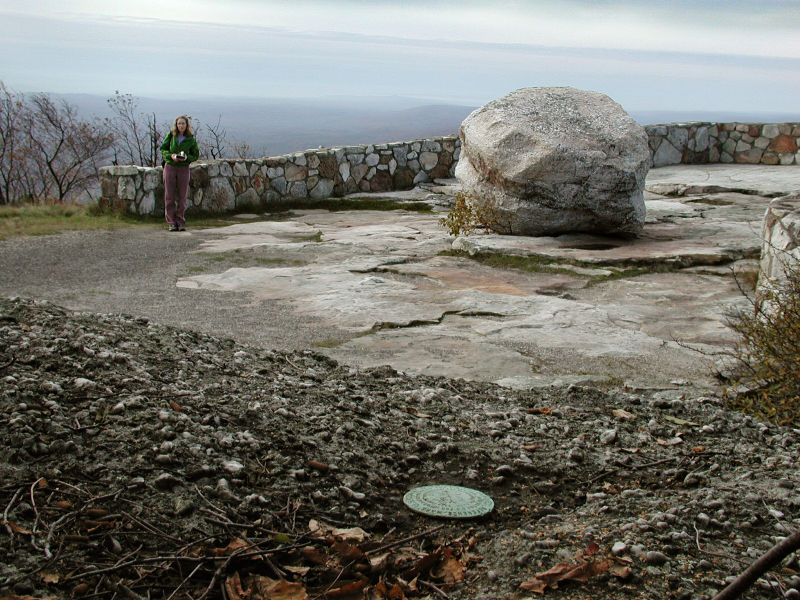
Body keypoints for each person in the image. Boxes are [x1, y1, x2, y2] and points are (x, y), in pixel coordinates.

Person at [160, 115, 199, 231]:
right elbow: (163, 149)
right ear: (176, 125)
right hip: (170, 167)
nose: (181, 126)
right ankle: (171, 222)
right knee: (169, 196)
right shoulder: (171, 136)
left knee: (182, 196)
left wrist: (187, 158)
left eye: (183, 123)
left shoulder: (190, 139)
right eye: (179, 124)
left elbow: (196, 155)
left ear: (187, 125)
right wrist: (170, 156)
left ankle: (180, 221)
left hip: (183, 168)